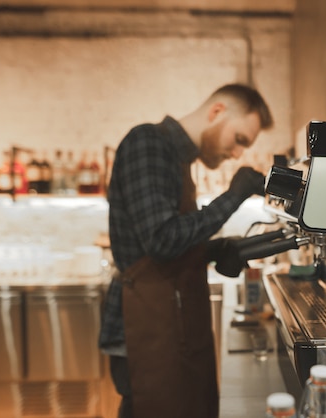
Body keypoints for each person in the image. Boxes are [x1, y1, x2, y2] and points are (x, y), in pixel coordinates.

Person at [98, 83, 274, 418]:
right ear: (217, 112)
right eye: (239, 140)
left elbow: (166, 241)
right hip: (145, 328)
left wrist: (214, 249)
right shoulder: (147, 143)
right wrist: (233, 196)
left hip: (169, 322)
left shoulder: (177, 160)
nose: (237, 154)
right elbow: (162, 241)